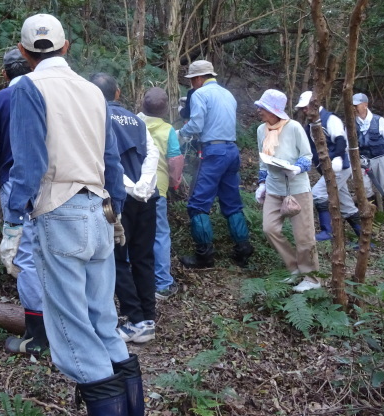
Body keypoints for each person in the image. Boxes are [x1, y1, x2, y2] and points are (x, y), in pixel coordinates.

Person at [6, 14, 143, 416]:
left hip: (60, 213)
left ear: (23, 52)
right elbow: (111, 160)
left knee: (72, 332)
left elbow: (29, 163)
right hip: (99, 211)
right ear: (67, 46)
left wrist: (13, 222)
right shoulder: (92, 91)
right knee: (103, 320)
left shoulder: (27, 88)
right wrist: (115, 212)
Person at [0, 49, 48, 356]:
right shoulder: (50, 94)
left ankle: (37, 336)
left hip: (15, 186)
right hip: (55, 186)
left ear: (5, 74)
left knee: (25, 258)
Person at [91, 73, 160, 345]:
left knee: (117, 259)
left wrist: (127, 188)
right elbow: (152, 154)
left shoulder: (95, 118)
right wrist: (143, 186)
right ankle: (148, 318)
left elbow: (104, 160)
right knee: (144, 257)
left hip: (116, 199)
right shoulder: (137, 120)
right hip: (147, 198)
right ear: (118, 93)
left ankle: (135, 319)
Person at [176, 60, 253, 268]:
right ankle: (243, 249)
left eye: (192, 80)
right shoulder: (228, 94)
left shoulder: (201, 94)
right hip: (231, 150)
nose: (192, 84)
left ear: (199, 78)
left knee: (197, 205)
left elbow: (196, 124)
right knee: (232, 201)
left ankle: (204, 256)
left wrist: (180, 135)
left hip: (214, 152)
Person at [254, 90, 321, 292]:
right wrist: (262, 183)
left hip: (297, 188)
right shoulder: (260, 130)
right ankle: (294, 268)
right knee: (269, 228)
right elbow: (262, 159)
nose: (259, 111)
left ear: (274, 110)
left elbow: (307, 155)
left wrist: (296, 169)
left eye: (263, 108)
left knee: (304, 236)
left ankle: (312, 279)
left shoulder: (294, 128)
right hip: (274, 188)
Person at [295, 91, 362, 242]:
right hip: (328, 168)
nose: (304, 111)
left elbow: (340, 143)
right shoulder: (311, 125)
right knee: (346, 205)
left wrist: (334, 158)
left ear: (314, 105)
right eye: (303, 108)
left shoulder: (331, 119)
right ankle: (366, 240)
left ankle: (327, 231)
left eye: (306, 107)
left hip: (339, 166)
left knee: (318, 194)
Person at [137, 87, 184, 300]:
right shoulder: (168, 131)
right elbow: (174, 161)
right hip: (157, 188)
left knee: (133, 232)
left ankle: (132, 278)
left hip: (132, 186)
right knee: (160, 234)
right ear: (165, 110)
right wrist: (176, 183)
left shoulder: (133, 123)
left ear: (142, 104)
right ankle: (162, 283)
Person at [353, 93, 384, 225]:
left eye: (356, 105)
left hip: (380, 158)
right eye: (353, 105)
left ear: (365, 105)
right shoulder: (351, 124)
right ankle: (372, 214)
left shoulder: (379, 121)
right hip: (362, 160)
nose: (354, 108)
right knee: (365, 188)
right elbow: (347, 145)